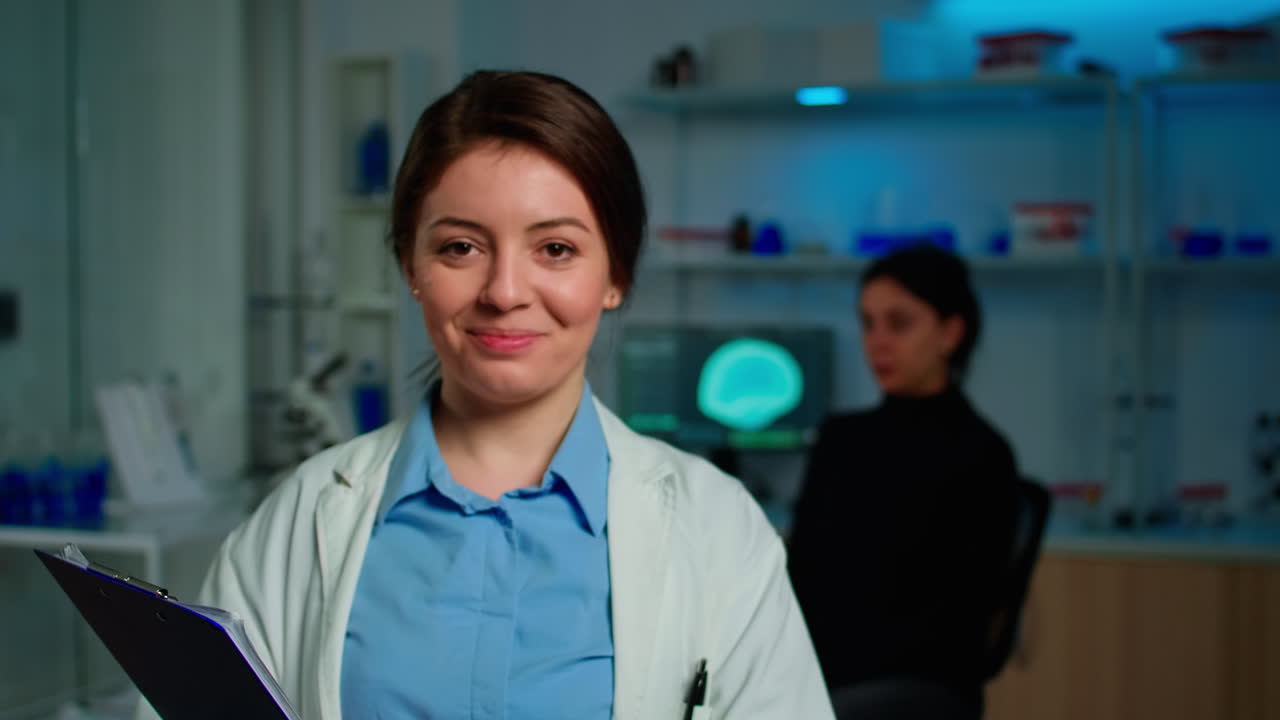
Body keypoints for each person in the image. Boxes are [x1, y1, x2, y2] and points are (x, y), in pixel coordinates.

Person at [139, 71, 833, 720]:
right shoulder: (302, 518)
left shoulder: (719, 532)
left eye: (555, 250)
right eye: (461, 249)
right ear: (410, 266)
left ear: (614, 276)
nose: (504, 292)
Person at [786, 245, 1020, 719]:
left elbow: (955, 624)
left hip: (910, 688)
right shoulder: (841, 440)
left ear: (950, 332)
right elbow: (800, 577)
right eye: (868, 323)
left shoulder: (981, 454)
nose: (878, 341)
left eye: (899, 323)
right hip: (818, 674)